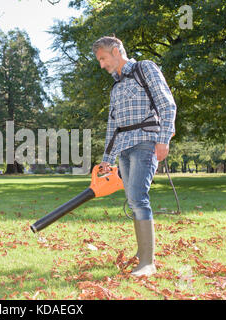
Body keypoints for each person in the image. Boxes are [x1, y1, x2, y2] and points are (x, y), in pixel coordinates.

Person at [92, 35, 176, 277]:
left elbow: (167, 104)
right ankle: (142, 254)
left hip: (146, 142)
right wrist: (107, 158)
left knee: (138, 198)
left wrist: (163, 139)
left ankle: (148, 263)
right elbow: (112, 126)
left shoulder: (145, 68)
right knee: (132, 200)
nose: (101, 64)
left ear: (117, 51)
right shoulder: (116, 87)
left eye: (103, 58)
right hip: (124, 149)